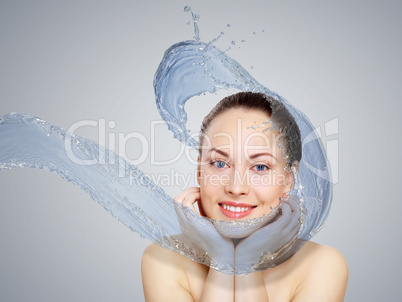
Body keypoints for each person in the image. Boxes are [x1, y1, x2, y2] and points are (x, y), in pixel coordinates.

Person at [141, 92, 348, 301]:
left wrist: (247, 261)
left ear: (288, 179)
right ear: (199, 171)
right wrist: (221, 258)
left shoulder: (320, 264)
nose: (236, 187)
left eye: (259, 167)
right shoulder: (164, 259)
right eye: (220, 164)